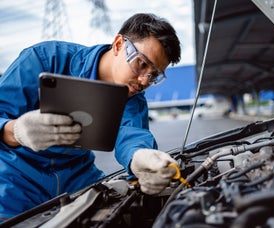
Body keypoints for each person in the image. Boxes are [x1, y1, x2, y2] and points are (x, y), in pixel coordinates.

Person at [0, 13, 181, 221]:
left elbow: (132, 136)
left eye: (154, 75)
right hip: (15, 181)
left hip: (76, 178)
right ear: (119, 44)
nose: (143, 80)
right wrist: (15, 131)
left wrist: (139, 158)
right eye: (141, 63)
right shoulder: (45, 58)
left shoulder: (132, 97)